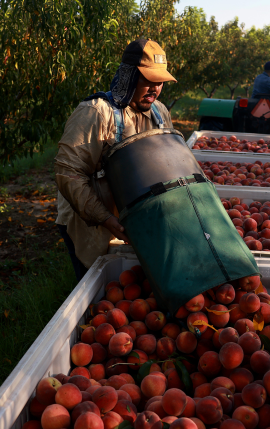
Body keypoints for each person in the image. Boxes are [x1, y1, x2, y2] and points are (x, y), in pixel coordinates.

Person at [54, 39, 176, 281]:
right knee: (97, 289)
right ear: (129, 76)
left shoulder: (159, 112)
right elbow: (68, 173)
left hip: (134, 218)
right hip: (93, 222)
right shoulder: (97, 112)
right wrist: (107, 219)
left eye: (160, 82)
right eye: (148, 80)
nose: (155, 88)